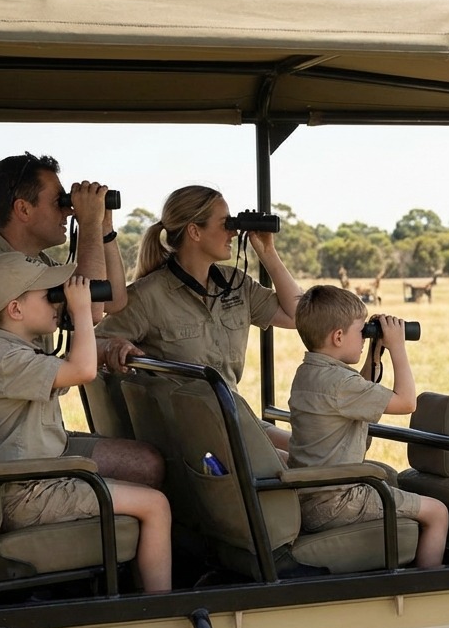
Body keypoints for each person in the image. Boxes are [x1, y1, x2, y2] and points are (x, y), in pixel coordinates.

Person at [0, 152, 163, 488]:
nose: (68, 209)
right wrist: (87, 224)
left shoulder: (30, 266)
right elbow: (94, 308)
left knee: (147, 464)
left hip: (28, 431)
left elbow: (113, 298)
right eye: (59, 201)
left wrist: (104, 227)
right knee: (145, 467)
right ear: (23, 209)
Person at [0, 252, 171, 592]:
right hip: (30, 493)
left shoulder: (9, 351)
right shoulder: (6, 359)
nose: (57, 301)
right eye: (49, 294)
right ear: (15, 310)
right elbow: (82, 371)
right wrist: (80, 312)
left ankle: (136, 588)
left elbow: (68, 370)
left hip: (36, 473)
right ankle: (160, 606)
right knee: (156, 505)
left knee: (144, 469)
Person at [95, 185, 303, 452]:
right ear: (194, 231)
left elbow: (296, 315)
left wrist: (267, 253)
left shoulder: (236, 284)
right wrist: (114, 346)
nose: (233, 231)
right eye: (225, 223)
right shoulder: (149, 295)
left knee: (309, 453)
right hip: (190, 434)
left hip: (236, 418)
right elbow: (94, 343)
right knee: (287, 465)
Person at [287, 286, 447, 569]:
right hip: (339, 501)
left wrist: (374, 352)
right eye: (362, 332)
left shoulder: (309, 373)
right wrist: (397, 346)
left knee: (387, 476)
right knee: (437, 512)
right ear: (338, 336)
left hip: (309, 498)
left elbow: (359, 391)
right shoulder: (340, 384)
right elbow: (407, 402)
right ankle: (427, 589)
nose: (365, 338)